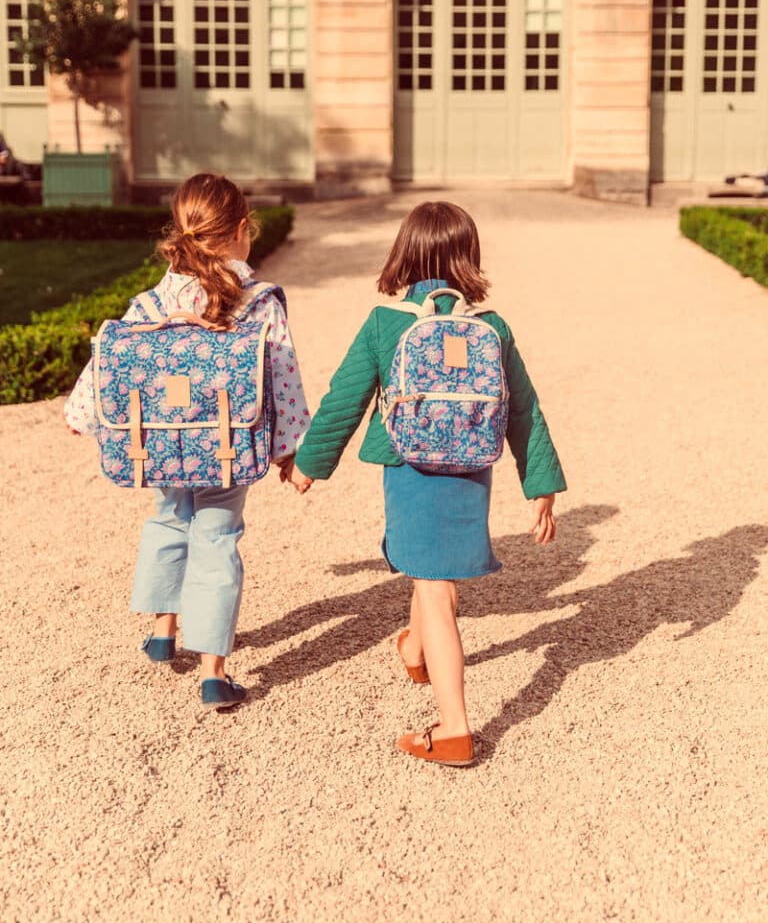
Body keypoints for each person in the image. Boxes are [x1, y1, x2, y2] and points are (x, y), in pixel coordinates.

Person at [282, 200, 566, 766]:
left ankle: (456, 727)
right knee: (434, 569)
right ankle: (415, 650)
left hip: (410, 468)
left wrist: (309, 462)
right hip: (471, 466)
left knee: (434, 587)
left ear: (403, 255)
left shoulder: (387, 324)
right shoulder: (491, 328)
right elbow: (523, 410)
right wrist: (541, 483)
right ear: (469, 258)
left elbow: (346, 397)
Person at [64, 172, 310, 710]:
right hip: (226, 444)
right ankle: (213, 672)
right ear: (244, 230)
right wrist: (291, 451)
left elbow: (113, 356)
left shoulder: (155, 299)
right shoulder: (258, 302)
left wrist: (81, 412)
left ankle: (162, 631)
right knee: (217, 538)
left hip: (164, 446)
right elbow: (283, 377)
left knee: (169, 518)